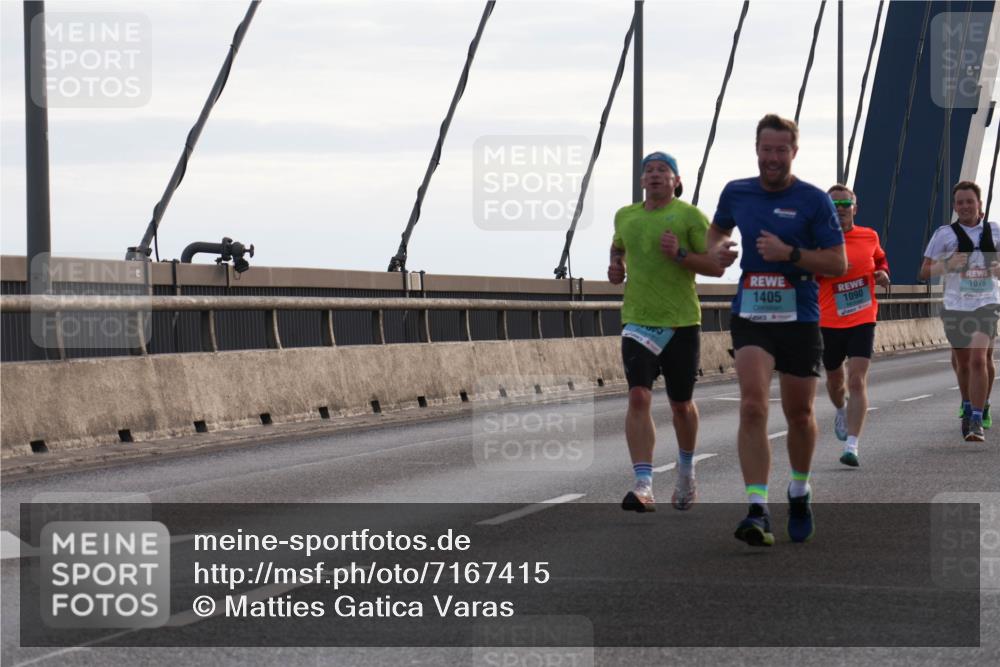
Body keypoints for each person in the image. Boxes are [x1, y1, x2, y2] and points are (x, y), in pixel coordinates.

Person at [705, 114, 846, 546]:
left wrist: (791, 253)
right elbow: (716, 232)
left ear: (794, 152)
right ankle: (757, 508)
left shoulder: (813, 201)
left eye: (781, 150)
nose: (772, 158)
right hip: (752, 311)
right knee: (751, 406)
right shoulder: (737, 191)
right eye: (766, 149)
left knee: (800, 414)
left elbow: (837, 263)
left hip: (800, 316)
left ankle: (799, 491)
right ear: (757, 150)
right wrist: (719, 251)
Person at [608, 151, 722, 513]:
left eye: (663, 170)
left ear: (676, 179)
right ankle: (643, 485)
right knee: (639, 397)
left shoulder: (689, 216)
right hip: (638, 320)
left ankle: (686, 471)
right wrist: (616, 265)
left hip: (681, 323)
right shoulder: (626, 216)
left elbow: (715, 266)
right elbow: (618, 245)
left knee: (680, 405)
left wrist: (681, 254)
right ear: (642, 181)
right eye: (649, 170)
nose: (655, 175)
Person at [918, 181, 1000, 442]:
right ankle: (968, 404)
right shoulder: (944, 234)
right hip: (956, 305)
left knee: (979, 359)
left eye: (969, 201)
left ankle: (977, 417)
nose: (965, 206)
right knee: (964, 363)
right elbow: (924, 272)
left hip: (987, 303)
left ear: (979, 205)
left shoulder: (995, 231)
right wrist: (947, 265)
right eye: (960, 202)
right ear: (955, 206)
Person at [817, 185, 890, 466]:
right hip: (828, 320)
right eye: (834, 205)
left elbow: (880, 259)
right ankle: (840, 409)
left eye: (845, 204)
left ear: (854, 209)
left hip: (862, 317)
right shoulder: (818, 240)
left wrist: (883, 272)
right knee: (836, 381)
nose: (840, 209)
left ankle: (852, 445)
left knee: (857, 379)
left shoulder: (869, 235)